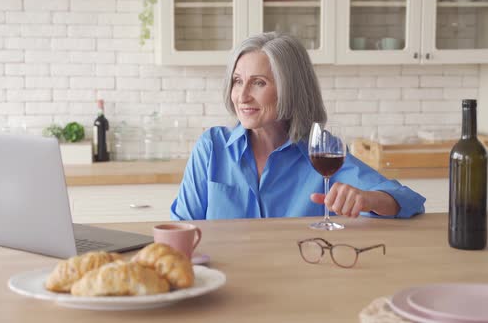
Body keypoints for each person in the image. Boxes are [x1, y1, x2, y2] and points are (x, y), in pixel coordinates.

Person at [170, 32, 425, 220]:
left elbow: (408, 200)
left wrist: (369, 199)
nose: (242, 96)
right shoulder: (212, 147)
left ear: (290, 89)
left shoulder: (322, 151)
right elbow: (181, 229)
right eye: (237, 81)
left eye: (258, 83)